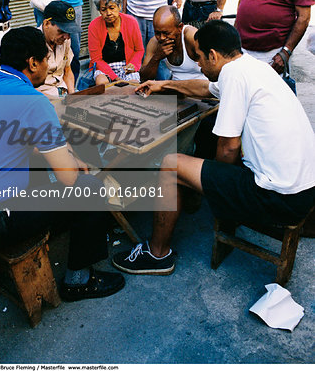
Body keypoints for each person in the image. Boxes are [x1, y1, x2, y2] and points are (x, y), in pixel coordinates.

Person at [112, 21, 315, 275]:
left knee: (170, 165)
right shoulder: (250, 66)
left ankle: (157, 254)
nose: (197, 65)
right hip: (305, 189)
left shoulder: (234, 75)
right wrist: (164, 85)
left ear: (213, 55)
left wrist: (213, 183)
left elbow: (228, 147)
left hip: (279, 198)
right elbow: (205, 88)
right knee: (202, 148)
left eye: (199, 58)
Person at [0, 27, 125, 301]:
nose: (48, 65)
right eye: (45, 59)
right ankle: (79, 280)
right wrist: (70, 162)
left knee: (44, 169)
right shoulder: (34, 101)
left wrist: (63, 154)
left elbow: (12, 137)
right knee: (89, 188)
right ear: (32, 62)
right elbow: (69, 179)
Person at [88, 0, 144, 85]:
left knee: (133, 85)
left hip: (126, 65)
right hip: (104, 67)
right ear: (99, 11)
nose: (108, 13)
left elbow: (139, 50)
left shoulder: (131, 22)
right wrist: (115, 78)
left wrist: (133, 65)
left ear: (119, 6)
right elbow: (96, 59)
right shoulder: (94, 26)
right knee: (102, 83)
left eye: (112, 8)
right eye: (104, 9)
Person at [140, 5, 204, 82]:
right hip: (176, 88)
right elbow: (144, 78)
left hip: (202, 87)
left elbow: (215, 66)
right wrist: (156, 58)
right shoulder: (154, 43)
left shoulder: (191, 36)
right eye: (157, 33)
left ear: (180, 28)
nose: (162, 38)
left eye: (166, 33)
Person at [37, 0, 80, 97]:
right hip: (43, 96)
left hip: (63, 92)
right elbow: (25, 85)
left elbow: (67, 71)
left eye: (69, 32)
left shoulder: (65, 40)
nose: (67, 37)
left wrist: (72, 95)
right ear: (47, 24)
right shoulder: (31, 43)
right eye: (61, 31)